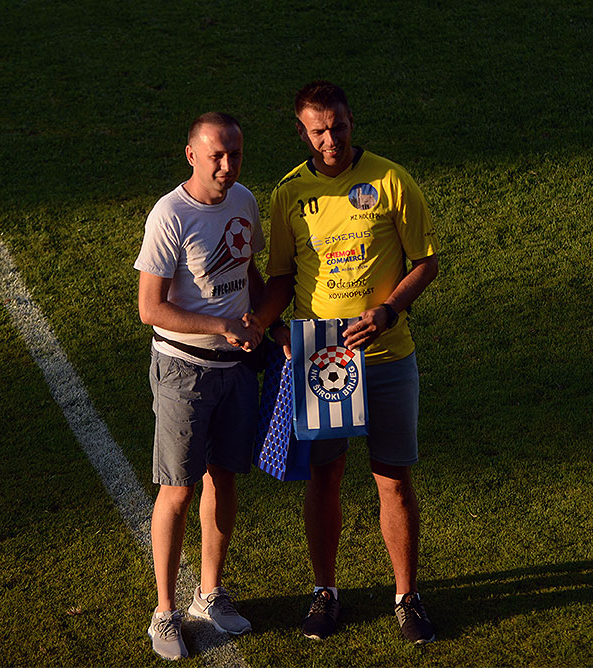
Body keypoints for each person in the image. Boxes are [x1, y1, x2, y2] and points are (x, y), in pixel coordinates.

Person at [252, 81, 440, 644]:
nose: (330, 139)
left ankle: (406, 597)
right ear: (301, 132)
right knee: (324, 476)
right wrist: (268, 327)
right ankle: (325, 591)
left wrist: (388, 311)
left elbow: (425, 262)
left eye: (337, 127)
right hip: (320, 360)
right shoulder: (289, 193)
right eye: (318, 131)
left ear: (352, 120)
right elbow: (281, 276)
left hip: (386, 356)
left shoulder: (391, 180)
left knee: (393, 480)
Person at [135, 112, 264, 660]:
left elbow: (249, 269)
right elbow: (150, 308)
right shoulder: (170, 214)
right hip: (184, 370)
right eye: (217, 156)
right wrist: (222, 324)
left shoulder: (244, 201)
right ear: (191, 155)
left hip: (236, 369)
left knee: (224, 479)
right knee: (178, 489)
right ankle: (164, 611)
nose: (227, 165)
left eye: (235, 154)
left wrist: (267, 322)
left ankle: (209, 593)